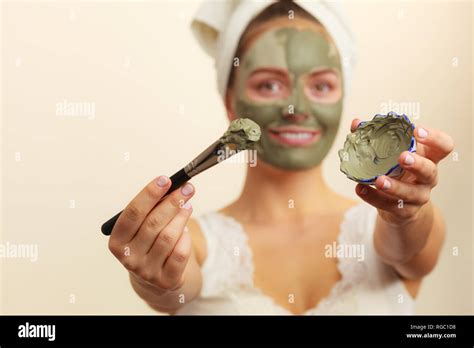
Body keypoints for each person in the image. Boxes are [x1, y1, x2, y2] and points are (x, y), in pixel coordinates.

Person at [108, 0, 454, 314]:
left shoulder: (386, 230)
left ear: (342, 97)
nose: (296, 109)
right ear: (230, 101)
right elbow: (174, 289)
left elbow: (409, 251)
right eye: (269, 85)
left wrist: (405, 218)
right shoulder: (195, 243)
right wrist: (154, 278)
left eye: (321, 86)